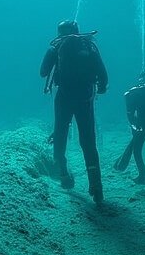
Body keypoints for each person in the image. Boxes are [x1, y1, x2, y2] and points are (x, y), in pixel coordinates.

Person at [40, 20, 108, 205]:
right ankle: (96, 186)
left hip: (63, 98)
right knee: (88, 141)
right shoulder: (88, 45)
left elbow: (43, 72)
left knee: (60, 134)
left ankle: (63, 174)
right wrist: (99, 87)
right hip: (85, 99)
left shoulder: (57, 46)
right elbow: (103, 75)